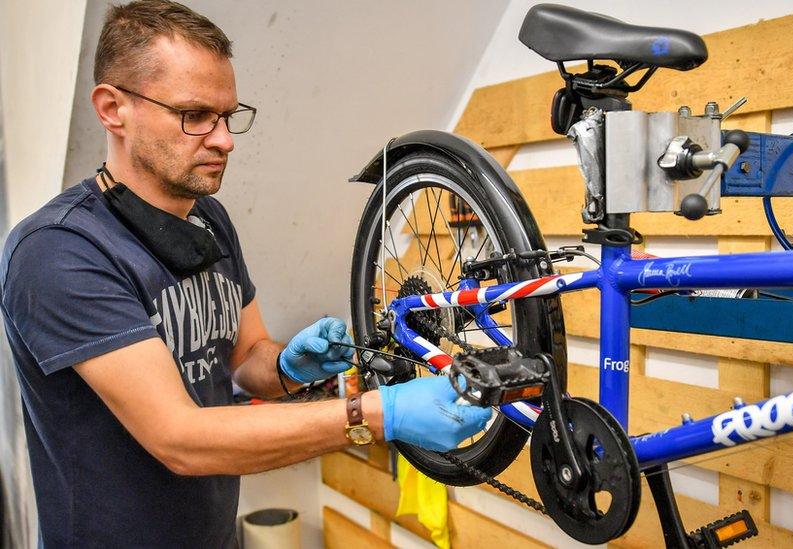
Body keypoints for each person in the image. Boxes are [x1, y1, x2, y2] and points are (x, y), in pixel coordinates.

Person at [0, 1, 491, 547]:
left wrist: (285, 365)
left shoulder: (208, 216)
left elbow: (243, 360)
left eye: (228, 116)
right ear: (113, 108)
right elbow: (179, 438)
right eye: (194, 116)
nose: (224, 140)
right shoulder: (60, 252)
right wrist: (374, 413)